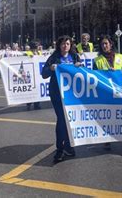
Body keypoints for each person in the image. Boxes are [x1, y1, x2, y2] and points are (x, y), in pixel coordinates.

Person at [93, 35, 122, 158]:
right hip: (106, 93)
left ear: (111, 44)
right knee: (109, 118)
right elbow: (94, 77)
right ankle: (107, 138)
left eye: (106, 43)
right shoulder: (97, 61)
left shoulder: (120, 57)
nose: (104, 46)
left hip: (120, 92)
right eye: (102, 44)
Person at [41, 35, 82, 163]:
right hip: (57, 94)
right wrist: (51, 68)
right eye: (63, 44)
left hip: (72, 94)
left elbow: (83, 72)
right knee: (62, 120)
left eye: (68, 44)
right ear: (59, 45)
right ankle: (60, 149)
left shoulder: (75, 57)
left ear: (71, 46)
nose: (65, 46)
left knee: (70, 120)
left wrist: (79, 66)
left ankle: (68, 146)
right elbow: (44, 74)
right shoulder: (54, 58)